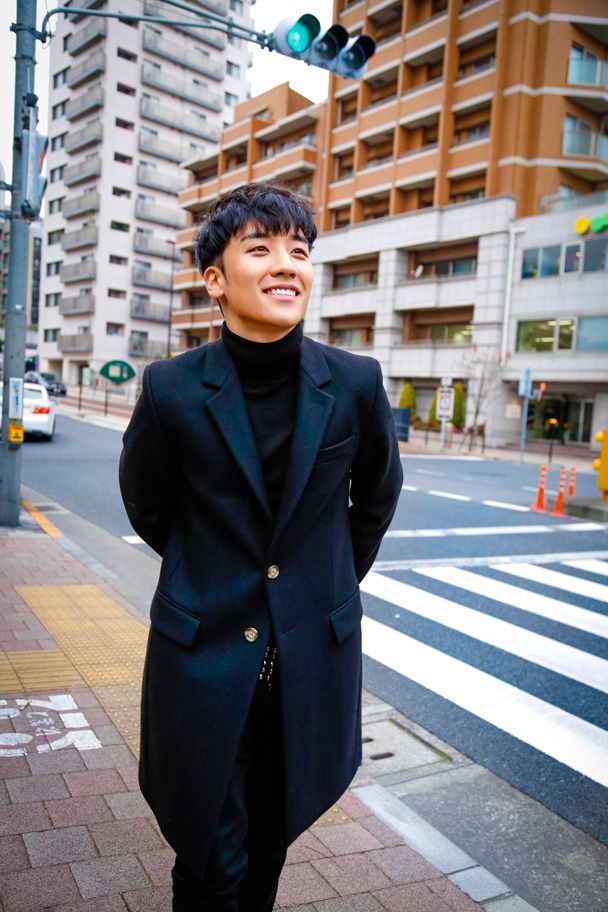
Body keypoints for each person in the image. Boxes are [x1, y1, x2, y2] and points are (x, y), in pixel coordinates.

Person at [119, 182, 403, 912]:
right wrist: (210, 574)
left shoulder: (355, 384)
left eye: (299, 251)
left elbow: (374, 500)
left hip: (311, 661)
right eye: (261, 248)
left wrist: (316, 586)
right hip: (203, 656)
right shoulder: (171, 389)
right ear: (215, 279)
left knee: (270, 841)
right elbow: (149, 505)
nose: (286, 265)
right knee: (208, 853)